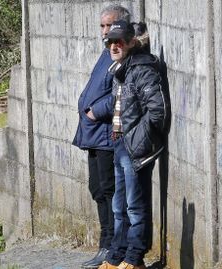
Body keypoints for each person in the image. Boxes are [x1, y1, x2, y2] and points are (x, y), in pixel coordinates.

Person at [89, 20, 171, 269]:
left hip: (135, 146)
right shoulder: (121, 69)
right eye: (110, 42)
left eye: (119, 42)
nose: (114, 46)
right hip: (120, 144)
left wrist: (137, 138)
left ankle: (134, 259)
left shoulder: (142, 69)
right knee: (119, 206)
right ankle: (117, 256)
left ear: (131, 43)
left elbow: (157, 111)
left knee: (135, 205)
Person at [72, 5, 130, 268]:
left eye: (110, 26)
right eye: (102, 26)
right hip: (93, 134)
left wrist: (96, 110)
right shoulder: (106, 53)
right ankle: (104, 243)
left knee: (109, 191)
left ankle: (111, 246)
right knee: (97, 189)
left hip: (107, 134)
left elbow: (121, 91)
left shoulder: (122, 52)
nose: (105, 32)